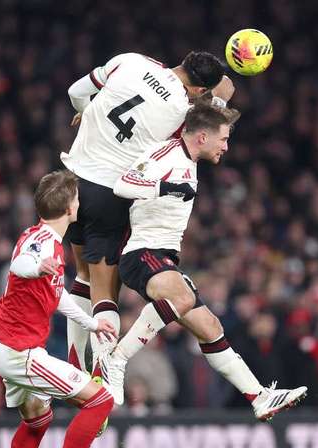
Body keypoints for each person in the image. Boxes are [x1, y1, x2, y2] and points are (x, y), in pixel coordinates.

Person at [99, 104, 307, 421]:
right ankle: (118, 357)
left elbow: (210, 107)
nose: (226, 146)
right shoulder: (166, 155)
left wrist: (222, 96)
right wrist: (166, 186)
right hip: (142, 253)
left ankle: (259, 396)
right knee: (181, 298)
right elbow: (123, 185)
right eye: (223, 139)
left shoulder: (190, 154)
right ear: (202, 136)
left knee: (211, 328)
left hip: (164, 257)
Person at [61, 51, 234, 376]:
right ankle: (101, 373)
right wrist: (221, 103)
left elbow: (75, 92)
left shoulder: (130, 61)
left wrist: (85, 112)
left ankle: (74, 360)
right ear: (199, 91)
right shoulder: (181, 112)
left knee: (83, 275)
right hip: (107, 193)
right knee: (105, 290)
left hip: (72, 180)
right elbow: (205, 136)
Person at [0, 170, 118, 448]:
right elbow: (20, 264)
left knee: (37, 419)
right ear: (70, 208)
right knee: (100, 400)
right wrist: (37, 266)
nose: (79, 203)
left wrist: (91, 324)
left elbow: (56, 296)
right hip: (20, 351)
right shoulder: (42, 245)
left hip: (5, 344)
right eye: (76, 198)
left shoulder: (38, 235)